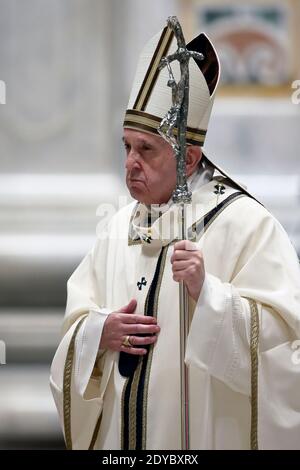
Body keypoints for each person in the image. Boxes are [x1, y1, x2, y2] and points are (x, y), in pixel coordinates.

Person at [50, 23, 300, 450]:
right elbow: (76, 328)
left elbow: (286, 351)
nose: (130, 163)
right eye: (126, 146)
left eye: (146, 150)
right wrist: (99, 334)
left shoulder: (247, 225)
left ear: (188, 160)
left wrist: (211, 298)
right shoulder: (116, 229)